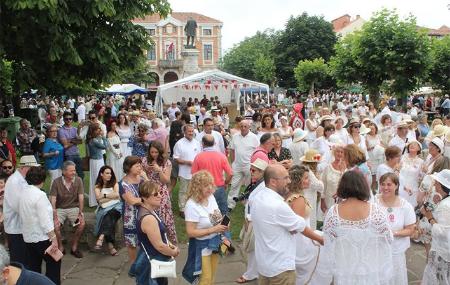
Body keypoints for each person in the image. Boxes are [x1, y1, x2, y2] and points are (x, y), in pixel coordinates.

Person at [252, 164, 322, 285]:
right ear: (273, 182)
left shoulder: (258, 197)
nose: (289, 181)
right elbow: (299, 225)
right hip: (280, 268)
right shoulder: (278, 205)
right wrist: (321, 239)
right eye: (285, 178)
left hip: (264, 264)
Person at [322, 170, 394, 285]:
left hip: (345, 270)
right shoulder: (375, 211)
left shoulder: (333, 212)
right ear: (363, 186)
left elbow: (328, 242)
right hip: (370, 269)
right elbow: (389, 238)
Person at [182, 171, 229, 285]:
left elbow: (215, 216)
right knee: (205, 279)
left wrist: (224, 224)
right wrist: (213, 230)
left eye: (211, 184)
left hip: (215, 242)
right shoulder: (191, 205)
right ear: (197, 187)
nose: (210, 188)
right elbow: (190, 232)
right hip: (201, 246)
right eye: (205, 185)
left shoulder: (211, 197)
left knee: (212, 275)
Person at [20, 167, 61, 284]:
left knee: (34, 267)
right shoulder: (40, 195)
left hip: (28, 237)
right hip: (42, 238)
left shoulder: (23, 193)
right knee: (54, 262)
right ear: (43, 180)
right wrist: (54, 239)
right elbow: (45, 221)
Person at [134, 181, 180, 285]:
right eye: (155, 194)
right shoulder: (149, 218)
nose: (160, 196)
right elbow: (159, 246)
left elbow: (160, 236)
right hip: (151, 263)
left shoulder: (149, 211)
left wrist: (169, 244)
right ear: (145, 198)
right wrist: (174, 252)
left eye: (160, 193)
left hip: (154, 260)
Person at [286, 165, 326, 285]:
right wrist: (319, 238)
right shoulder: (298, 199)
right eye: (306, 178)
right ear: (298, 180)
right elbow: (299, 227)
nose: (309, 180)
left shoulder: (290, 195)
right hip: (301, 242)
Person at [375, 173, 415, 285]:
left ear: (396, 186)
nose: (385, 188)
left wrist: (393, 233)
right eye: (382, 184)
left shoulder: (405, 206)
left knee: (395, 278)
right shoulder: (373, 203)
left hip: (396, 251)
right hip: (377, 250)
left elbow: (410, 230)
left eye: (389, 184)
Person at [235, 158, 268, 284]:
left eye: (254, 170)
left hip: (255, 222)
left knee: (252, 248)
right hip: (251, 219)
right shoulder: (257, 183)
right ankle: (254, 272)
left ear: (262, 173)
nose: (251, 172)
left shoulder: (264, 186)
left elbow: (261, 206)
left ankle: (251, 274)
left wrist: (249, 219)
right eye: (251, 169)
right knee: (253, 248)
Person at [4, 155, 39, 265]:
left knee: (26, 261)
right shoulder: (14, 181)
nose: (34, 171)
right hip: (16, 230)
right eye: (33, 169)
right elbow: (19, 207)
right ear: (25, 168)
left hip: (23, 228)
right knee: (19, 263)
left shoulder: (22, 180)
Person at [142, 141, 177, 245]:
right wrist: (145, 173)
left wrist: (159, 170)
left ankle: (168, 242)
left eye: (156, 152)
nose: (154, 154)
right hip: (148, 191)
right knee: (151, 216)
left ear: (160, 152)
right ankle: (153, 241)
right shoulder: (144, 160)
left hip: (161, 192)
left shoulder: (167, 162)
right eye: (152, 152)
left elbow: (166, 180)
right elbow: (141, 175)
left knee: (164, 217)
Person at [420, 169, 450, 285]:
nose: (435, 184)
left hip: (442, 251)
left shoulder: (445, 206)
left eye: (437, 183)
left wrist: (429, 217)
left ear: (442, 186)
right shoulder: (445, 201)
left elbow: (442, 233)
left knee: (438, 278)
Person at [50, 161, 85, 258]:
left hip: (74, 208)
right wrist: (55, 216)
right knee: (55, 226)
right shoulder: (56, 182)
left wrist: (80, 213)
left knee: (81, 224)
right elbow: (53, 199)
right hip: (60, 208)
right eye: (71, 171)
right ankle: (60, 247)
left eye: (74, 170)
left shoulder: (78, 180)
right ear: (64, 172)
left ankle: (74, 247)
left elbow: (81, 198)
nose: (74, 172)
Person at [192, 134, 233, 217]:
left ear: (202, 143)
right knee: (223, 212)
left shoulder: (198, 157)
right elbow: (231, 173)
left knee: (205, 212)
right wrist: (226, 183)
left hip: (203, 188)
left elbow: (194, 175)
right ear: (214, 143)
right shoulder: (221, 156)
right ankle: (224, 229)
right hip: (219, 187)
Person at [227, 120, 259, 211]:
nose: (243, 128)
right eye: (241, 126)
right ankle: (230, 205)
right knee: (234, 185)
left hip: (249, 166)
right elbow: (232, 150)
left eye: (245, 126)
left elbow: (257, 151)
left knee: (249, 185)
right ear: (239, 126)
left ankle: (248, 204)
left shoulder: (254, 137)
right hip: (237, 165)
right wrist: (233, 162)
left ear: (249, 127)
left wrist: (254, 166)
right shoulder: (235, 136)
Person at [120, 156, 145, 263]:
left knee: (146, 240)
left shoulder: (143, 180)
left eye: (140, 165)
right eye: (137, 166)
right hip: (130, 217)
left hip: (144, 216)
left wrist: (147, 178)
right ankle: (134, 265)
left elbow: (153, 192)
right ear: (129, 167)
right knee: (132, 242)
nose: (140, 168)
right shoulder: (122, 184)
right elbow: (132, 201)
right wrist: (146, 200)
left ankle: (145, 264)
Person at [173, 124, 201, 218]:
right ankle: (182, 209)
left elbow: (200, 156)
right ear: (184, 132)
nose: (191, 133)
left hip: (195, 172)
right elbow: (176, 158)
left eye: (192, 131)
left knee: (194, 190)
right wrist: (186, 162)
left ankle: (192, 208)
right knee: (183, 191)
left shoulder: (197, 143)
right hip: (184, 172)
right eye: (189, 131)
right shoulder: (179, 143)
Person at [93, 166, 122, 256]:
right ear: (101, 174)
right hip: (104, 208)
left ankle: (101, 237)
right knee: (108, 218)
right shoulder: (97, 186)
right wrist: (111, 196)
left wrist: (104, 196)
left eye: (110, 173)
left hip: (117, 208)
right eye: (107, 173)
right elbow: (99, 201)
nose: (109, 175)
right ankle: (110, 246)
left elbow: (117, 195)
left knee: (110, 214)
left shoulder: (114, 183)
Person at [300, 149, 324, 230]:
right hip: (308, 197)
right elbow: (319, 186)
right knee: (309, 219)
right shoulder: (309, 171)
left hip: (306, 195)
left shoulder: (303, 168)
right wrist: (320, 179)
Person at [320, 144, 346, 214]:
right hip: (329, 200)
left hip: (344, 200)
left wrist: (342, 170)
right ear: (334, 153)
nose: (339, 154)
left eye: (342, 152)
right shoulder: (328, 168)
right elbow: (323, 184)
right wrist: (322, 200)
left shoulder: (347, 169)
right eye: (338, 151)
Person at [58, 112, 84, 179]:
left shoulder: (75, 129)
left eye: (70, 119)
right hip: (68, 155)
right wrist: (75, 141)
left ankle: (80, 188)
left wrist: (71, 140)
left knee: (81, 174)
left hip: (77, 154)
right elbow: (65, 145)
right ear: (63, 119)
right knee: (70, 175)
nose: (69, 120)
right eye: (67, 119)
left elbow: (80, 141)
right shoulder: (61, 130)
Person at [87, 123, 107, 207]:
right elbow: (104, 146)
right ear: (93, 131)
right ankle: (97, 199)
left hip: (96, 160)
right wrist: (103, 137)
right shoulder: (94, 141)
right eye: (97, 129)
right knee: (98, 179)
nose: (99, 130)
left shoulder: (92, 139)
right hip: (97, 161)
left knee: (96, 179)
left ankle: (96, 199)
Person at [398, 140, 424, 207]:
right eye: (410, 144)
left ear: (419, 149)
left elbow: (421, 177)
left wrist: (424, 172)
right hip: (400, 186)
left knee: (409, 208)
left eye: (415, 144)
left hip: (412, 189)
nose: (412, 145)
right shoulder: (402, 157)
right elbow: (396, 171)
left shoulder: (421, 162)